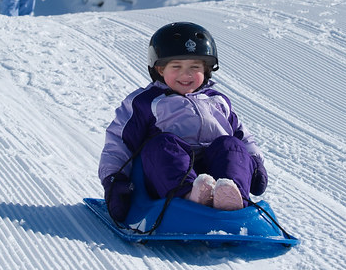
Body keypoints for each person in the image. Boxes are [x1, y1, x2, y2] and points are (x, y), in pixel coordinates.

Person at [98, 22, 268, 222]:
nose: (185, 74)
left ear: (206, 70)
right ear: (160, 69)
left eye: (194, 67)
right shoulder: (145, 102)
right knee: (163, 145)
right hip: (165, 174)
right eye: (176, 66)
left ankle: (230, 195)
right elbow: (119, 141)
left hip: (214, 167)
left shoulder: (218, 100)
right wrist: (114, 180)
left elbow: (242, 135)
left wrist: (255, 163)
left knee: (230, 145)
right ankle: (191, 196)